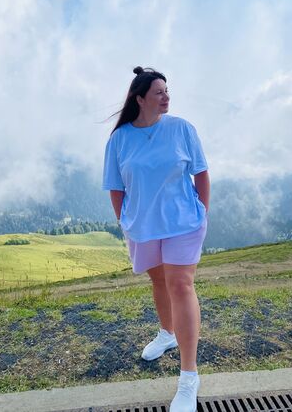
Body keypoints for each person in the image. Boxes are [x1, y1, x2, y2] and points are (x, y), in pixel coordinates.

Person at [102, 66, 210, 412]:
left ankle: (188, 378)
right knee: (159, 281)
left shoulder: (182, 129)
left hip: (183, 222)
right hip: (143, 226)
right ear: (140, 99)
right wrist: (125, 222)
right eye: (159, 92)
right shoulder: (119, 140)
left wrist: (201, 212)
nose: (166, 97)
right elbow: (115, 187)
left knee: (180, 285)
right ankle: (167, 334)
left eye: (167, 91)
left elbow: (201, 173)